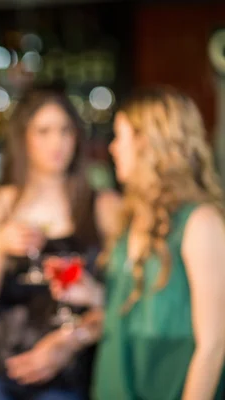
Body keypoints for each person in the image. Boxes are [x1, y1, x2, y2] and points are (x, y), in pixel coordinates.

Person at [50, 86, 225, 400]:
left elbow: (214, 344)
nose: (113, 148)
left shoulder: (200, 222)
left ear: (149, 143)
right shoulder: (133, 217)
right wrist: (93, 293)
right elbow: (142, 305)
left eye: (120, 136)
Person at [0, 87, 119, 400]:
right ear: (23, 138)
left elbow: (123, 300)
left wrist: (71, 341)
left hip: (66, 372)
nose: (57, 142)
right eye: (43, 131)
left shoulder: (104, 207)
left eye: (65, 131)